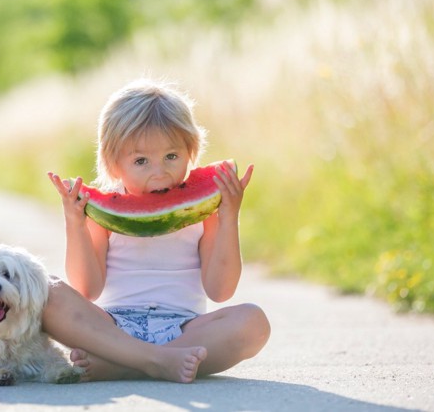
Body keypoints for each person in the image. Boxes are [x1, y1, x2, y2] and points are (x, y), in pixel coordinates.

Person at [44, 78, 270, 383]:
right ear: (113, 165)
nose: (159, 172)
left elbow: (221, 290)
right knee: (45, 293)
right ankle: (155, 361)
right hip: (113, 328)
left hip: (186, 330)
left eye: (172, 156)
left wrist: (229, 216)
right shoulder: (102, 215)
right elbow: (87, 289)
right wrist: (76, 224)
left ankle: (124, 365)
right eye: (141, 161)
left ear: (192, 153)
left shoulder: (204, 214)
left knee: (253, 322)